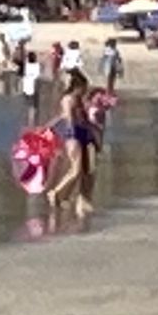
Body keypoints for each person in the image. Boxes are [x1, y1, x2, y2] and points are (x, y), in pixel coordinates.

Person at [47, 70, 99, 221]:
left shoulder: (77, 99)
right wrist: (72, 136)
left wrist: (94, 133)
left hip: (83, 134)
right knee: (75, 170)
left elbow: (66, 117)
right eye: (83, 87)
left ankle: (72, 199)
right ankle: (56, 193)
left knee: (86, 170)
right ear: (77, 86)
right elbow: (69, 119)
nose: (84, 90)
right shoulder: (68, 99)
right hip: (74, 136)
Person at [20, 51, 42, 122]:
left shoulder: (26, 65)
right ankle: (32, 119)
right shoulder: (37, 65)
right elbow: (38, 75)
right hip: (33, 86)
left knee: (27, 103)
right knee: (34, 104)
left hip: (26, 86)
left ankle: (27, 117)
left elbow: (22, 74)